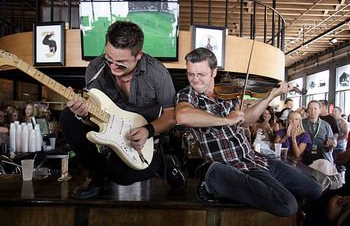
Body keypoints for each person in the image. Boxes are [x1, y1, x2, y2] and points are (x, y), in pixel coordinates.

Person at [175, 48, 322, 217]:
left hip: (254, 159)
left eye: (201, 74)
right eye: (190, 74)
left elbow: (247, 120)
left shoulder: (228, 94)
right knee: (287, 205)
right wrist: (226, 120)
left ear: (214, 72)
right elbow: (182, 115)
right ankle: (213, 177)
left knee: (315, 189)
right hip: (231, 165)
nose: (195, 79)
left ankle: (223, 184)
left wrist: (270, 96)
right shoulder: (188, 94)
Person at [59, 21, 186, 199]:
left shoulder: (157, 73)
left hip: (143, 136)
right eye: (109, 58)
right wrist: (84, 115)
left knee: (119, 175)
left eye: (121, 62)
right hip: (110, 127)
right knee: (68, 117)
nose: (112, 66)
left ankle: (164, 163)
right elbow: (93, 117)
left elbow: (171, 115)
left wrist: (148, 131)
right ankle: (96, 176)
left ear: (138, 56)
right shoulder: (95, 68)